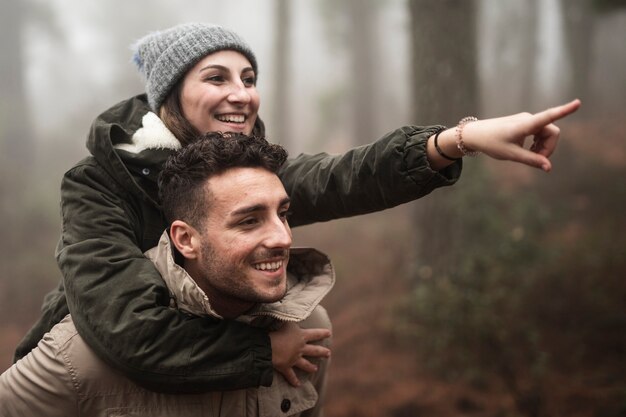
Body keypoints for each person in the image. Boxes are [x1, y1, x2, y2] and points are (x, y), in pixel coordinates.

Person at [13, 22, 580, 393]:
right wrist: (261, 349)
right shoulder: (97, 184)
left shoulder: (248, 175)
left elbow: (342, 176)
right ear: (168, 98)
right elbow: (126, 326)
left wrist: (460, 139)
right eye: (216, 77)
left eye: (249, 77)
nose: (242, 93)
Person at [0, 133, 334, 416]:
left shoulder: (308, 330)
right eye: (249, 221)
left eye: (283, 214)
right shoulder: (79, 359)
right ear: (186, 240)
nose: (283, 238)